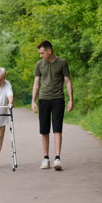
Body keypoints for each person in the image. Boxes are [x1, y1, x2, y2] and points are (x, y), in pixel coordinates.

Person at [31, 40, 73, 170]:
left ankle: (57, 159)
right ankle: (45, 158)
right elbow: (36, 83)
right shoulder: (39, 64)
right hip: (43, 99)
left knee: (57, 128)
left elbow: (67, 82)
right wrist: (33, 100)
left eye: (42, 53)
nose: (40, 55)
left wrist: (71, 99)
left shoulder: (62, 62)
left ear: (49, 51)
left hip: (58, 99)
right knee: (44, 130)